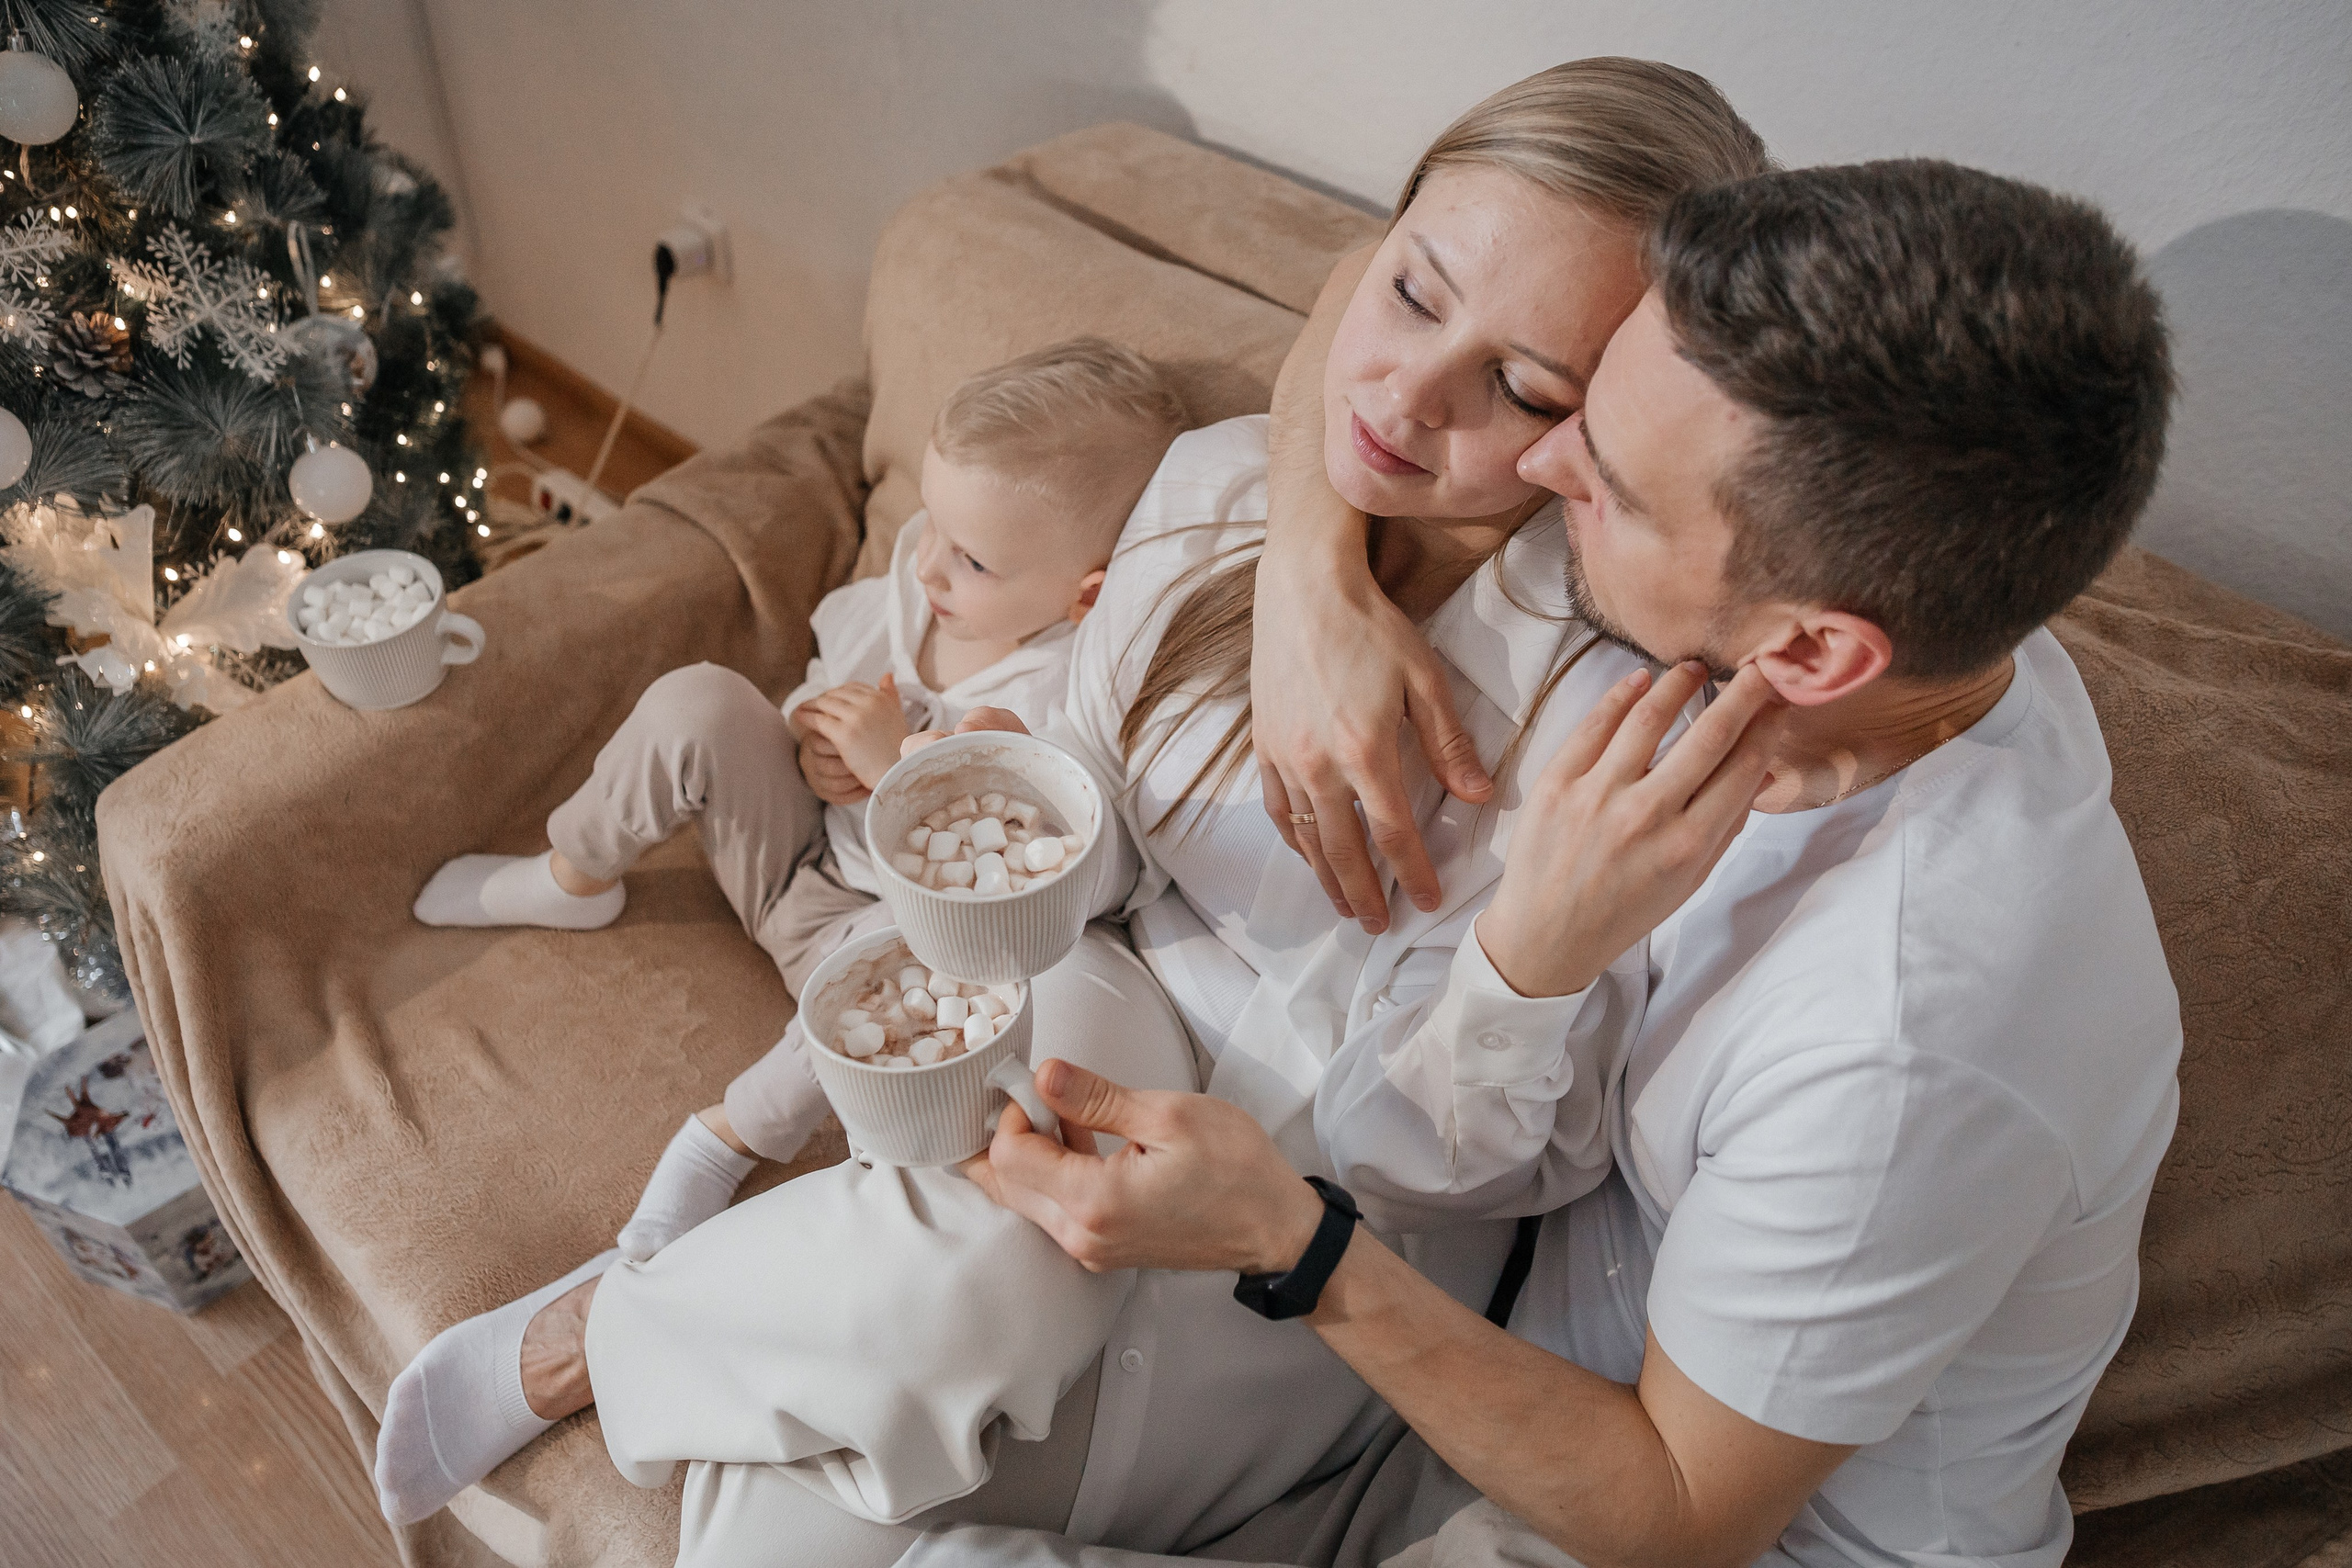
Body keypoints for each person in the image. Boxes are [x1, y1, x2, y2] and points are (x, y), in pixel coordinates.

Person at [367, 60, 1777, 1563]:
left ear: (1612, 424)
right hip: (1103, 987)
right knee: (978, 1263)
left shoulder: (1614, 718)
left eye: (1525, 389)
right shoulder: (1221, 485)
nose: (1406, 398)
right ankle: (634, 1334)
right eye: (1417, 294)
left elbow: (1487, 1162)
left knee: (849, 1440)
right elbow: (1096, 825)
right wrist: (1016, 798)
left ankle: (616, 1329)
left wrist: (1512, 975)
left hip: (1332, 1204)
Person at [949, 156, 2183, 1568]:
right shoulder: (1900, 589)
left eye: (1608, 483)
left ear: (1812, 649)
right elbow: (1371, 299)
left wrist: (1288, 1242)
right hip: (1479, 1407)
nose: (1541, 470)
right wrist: (1310, 575)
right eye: (1577, 404)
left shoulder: (1906, 1034)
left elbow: (1678, 1510)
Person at [408, 338, 1188, 1263]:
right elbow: (810, 696)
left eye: (972, 561)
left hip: (885, 943)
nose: (930, 567)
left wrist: (901, 763)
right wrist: (810, 741)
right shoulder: (914, 594)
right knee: (700, 697)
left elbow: (1026, 874)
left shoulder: (1058, 696)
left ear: (1082, 597)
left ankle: (724, 1139)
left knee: (952, 972)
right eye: (930, 527)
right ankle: (575, 875)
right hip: (786, 858)